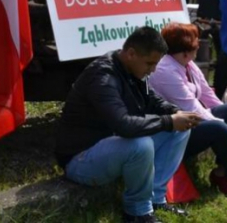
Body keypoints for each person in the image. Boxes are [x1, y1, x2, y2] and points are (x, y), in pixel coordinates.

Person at [55, 26, 202, 223]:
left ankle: (156, 198)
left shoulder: (131, 68)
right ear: (131, 54)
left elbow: (152, 100)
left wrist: (175, 113)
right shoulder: (103, 77)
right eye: (150, 63)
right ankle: (136, 212)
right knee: (140, 145)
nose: (153, 70)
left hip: (109, 149)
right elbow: (124, 125)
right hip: (80, 159)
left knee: (180, 130)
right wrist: (168, 121)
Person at [149, 22, 227, 197]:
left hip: (188, 122)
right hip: (172, 134)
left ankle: (222, 172)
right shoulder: (165, 71)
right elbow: (192, 107)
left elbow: (207, 96)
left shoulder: (186, 62)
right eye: (196, 44)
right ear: (185, 50)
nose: (199, 48)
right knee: (218, 128)